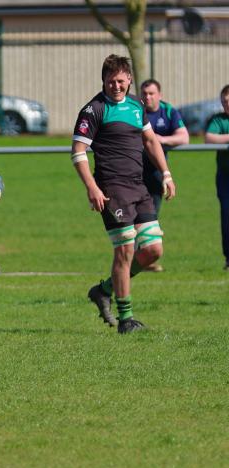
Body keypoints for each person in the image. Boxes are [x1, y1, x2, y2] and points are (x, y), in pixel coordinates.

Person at [73, 54, 176, 334]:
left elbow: (150, 139)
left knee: (153, 250)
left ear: (129, 80)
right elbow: (78, 152)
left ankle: (104, 290)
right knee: (125, 250)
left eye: (120, 81)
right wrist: (92, 187)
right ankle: (126, 318)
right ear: (103, 81)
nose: (116, 86)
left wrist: (166, 173)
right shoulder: (93, 110)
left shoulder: (134, 106)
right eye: (110, 81)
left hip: (139, 186)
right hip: (112, 190)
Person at [139, 79, 189, 272]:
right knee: (133, 219)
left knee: (150, 216)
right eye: (144, 93)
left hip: (156, 175)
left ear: (159, 94)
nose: (147, 97)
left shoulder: (168, 111)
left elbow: (184, 137)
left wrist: (160, 140)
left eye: (151, 93)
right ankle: (138, 258)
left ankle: (144, 258)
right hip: (133, 174)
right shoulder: (135, 111)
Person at [204, 84, 229, 270]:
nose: (226, 104)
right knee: (227, 215)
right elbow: (209, 138)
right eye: (224, 101)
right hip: (225, 176)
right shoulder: (219, 120)